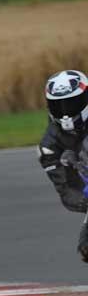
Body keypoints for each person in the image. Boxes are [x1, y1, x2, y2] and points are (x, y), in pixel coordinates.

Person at [38, 70, 88, 262]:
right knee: (86, 248)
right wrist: (84, 200)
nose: (66, 110)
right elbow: (66, 189)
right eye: (58, 105)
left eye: (72, 103)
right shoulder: (49, 146)